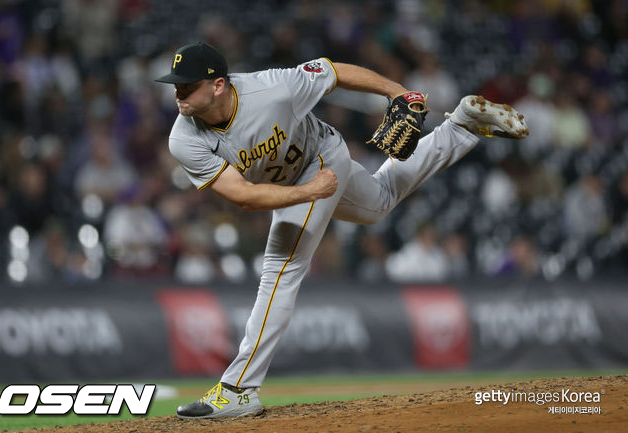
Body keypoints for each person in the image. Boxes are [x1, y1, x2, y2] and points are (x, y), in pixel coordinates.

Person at [155, 42, 528, 419]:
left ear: (218, 84)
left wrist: (399, 93)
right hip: (302, 183)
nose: (177, 92)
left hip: (321, 155)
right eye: (176, 84)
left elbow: (333, 72)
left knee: (280, 269)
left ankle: (239, 388)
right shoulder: (184, 139)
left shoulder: (272, 88)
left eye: (187, 85)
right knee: (380, 201)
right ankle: (462, 127)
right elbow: (244, 196)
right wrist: (308, 193)